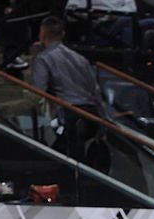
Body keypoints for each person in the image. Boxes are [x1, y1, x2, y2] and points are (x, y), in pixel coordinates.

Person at [31, 16, 107, 165]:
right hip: (91, 113)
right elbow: (96, 90)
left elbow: (37, 90)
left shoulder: (43, 58)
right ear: (63, 34)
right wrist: (103, 122)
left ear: (42, 34)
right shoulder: (80, 58)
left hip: (68, 114)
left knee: (67, 154)